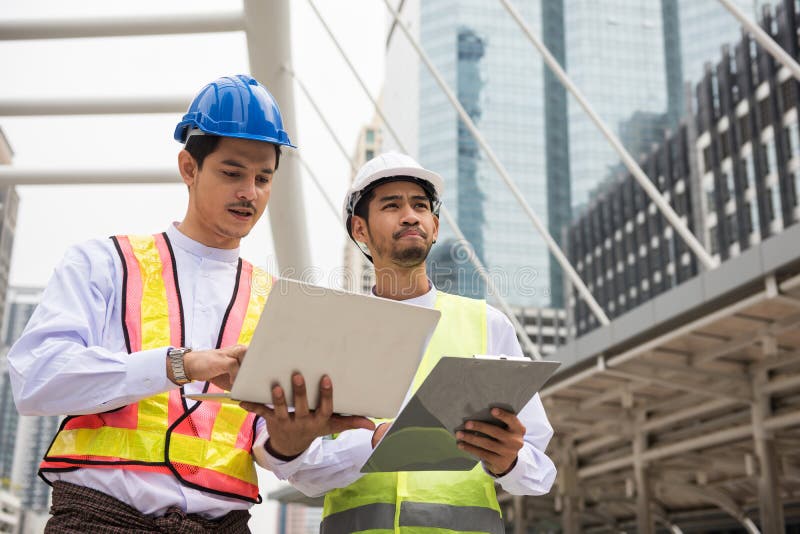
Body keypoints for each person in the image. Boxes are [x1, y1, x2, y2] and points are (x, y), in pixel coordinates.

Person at [8, 74, 372, 533]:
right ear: (189, 168)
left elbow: (284, 457)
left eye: (264, 178)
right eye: (232, 173)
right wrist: (181, 364)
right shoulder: (103, 264)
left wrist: (299, 440)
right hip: (98, 520)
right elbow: (36, 378)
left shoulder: (281, 302)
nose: (250, 192)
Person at [246, 152, 557, 533]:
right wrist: (375, 443)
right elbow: (294, 468)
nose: (410, 215)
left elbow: (540, 472)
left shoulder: (490, 325)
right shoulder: (328, 330)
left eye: (420, 206)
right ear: (359, 230)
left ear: (436, 226)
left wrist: (510, 460)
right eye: (392, 205)